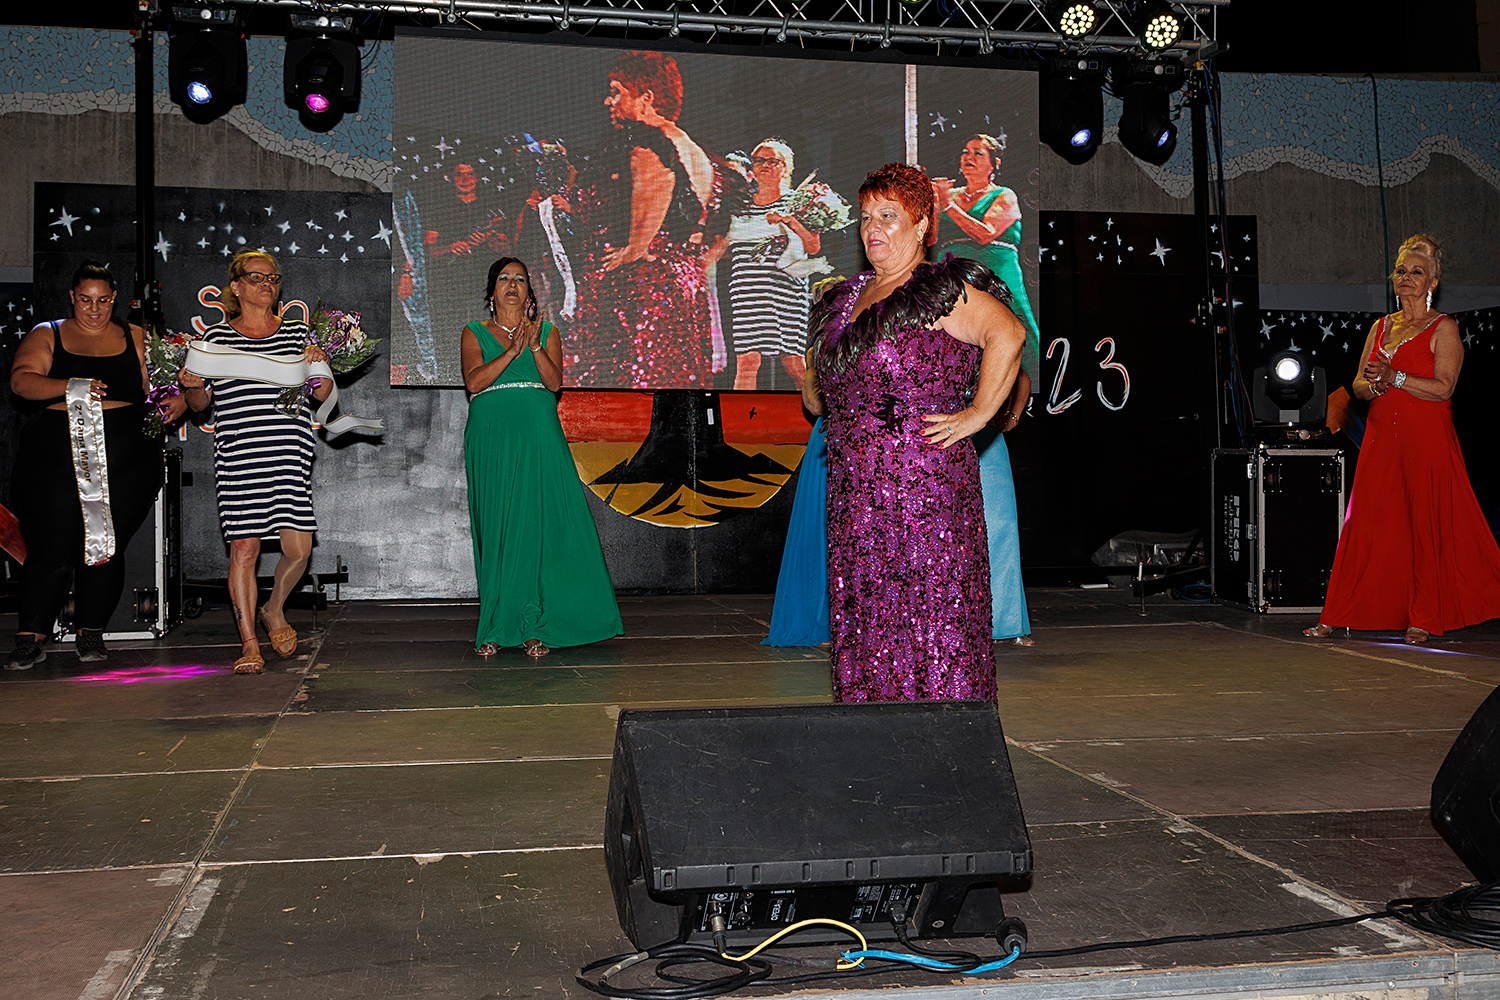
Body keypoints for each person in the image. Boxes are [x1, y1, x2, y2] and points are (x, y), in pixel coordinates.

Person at [811, 163, 1026, 701]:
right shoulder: (847, 298)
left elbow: (1008, 333)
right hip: (856, 494)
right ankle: (874, 733)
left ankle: (948, 736)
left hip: (924, 491)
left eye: (889, 215)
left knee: (933, 616)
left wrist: (978, 414)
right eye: (866, 217)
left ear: (922, 223)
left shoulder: (936, 290)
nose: (873, 227)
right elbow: (820, 394)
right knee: (870, 616)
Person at [1304, 234, 1500, 643]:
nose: (1406, 277)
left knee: (1423, 526)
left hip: (1426, 440)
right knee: (1364, 522)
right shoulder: (1381, 327)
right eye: (1401, 270)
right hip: (1382, 439)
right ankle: (1336, 611)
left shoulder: (1444, 328)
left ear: (1432, 282)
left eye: (1417, 272)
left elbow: (1444, 388)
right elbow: (1359, 386)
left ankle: (1423, 616)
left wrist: (1395, 377)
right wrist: (1374, 386)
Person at [6, 261, 181, 669]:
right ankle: (30, 636)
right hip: (56, 457)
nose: (94, 309)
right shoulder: (47, 333)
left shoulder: (134, 335)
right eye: (85, 300)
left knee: (105, 544)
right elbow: (21, 381)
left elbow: (165, 385)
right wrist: (69, 386)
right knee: (52, 544)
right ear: (72, 297)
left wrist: (179, 399)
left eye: (103, 301)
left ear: (114, 299)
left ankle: (91, 632)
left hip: (128, 460)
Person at [179, 251, 332, 675]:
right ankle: (249, 643)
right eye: (257, 277)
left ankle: (274, 608)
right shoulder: (215, 338)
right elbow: (199, 404)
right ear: (236, 286)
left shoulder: (298, 332)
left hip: (289, 452)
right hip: (240, 455)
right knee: (244, 550)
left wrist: (318, 365)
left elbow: (322, 394)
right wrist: (192, 385)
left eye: (273, 277)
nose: (267, 283)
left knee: (299, 550)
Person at [462, 257, 622, 656]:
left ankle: (533, 623)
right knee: (499, 527)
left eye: (520, 279)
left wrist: (532, 346)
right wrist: (510, 351)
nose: (512, 284)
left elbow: (553, 383)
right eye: (504, 278)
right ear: (492, 291)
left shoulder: (547, 332)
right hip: (494, 435)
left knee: (535, 527)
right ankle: (497, 625)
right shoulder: (474, 332)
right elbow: (474, 382)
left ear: (529, 293)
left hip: (537, 433)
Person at [566, 50, 737, 388]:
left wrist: (634, 248)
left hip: (643, 289)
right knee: (673, 384)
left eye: (616, 92)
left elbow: (657, 186)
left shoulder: (647, 140)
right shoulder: (694, 148)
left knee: (633, 384)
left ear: (646, 98)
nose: (607, 101)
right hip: (684, 286)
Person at [934, 134, 1041, 645]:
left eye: (977, 153)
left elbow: (981, 233)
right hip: (953, 283)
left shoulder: (1003, 196)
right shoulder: (949, 196)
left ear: (995, 162)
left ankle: (1005, 618)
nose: (967, 158)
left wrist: (948, 202)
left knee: (994, 512)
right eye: (964, 152)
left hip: (992, 275)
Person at [726, 138, 822, 390]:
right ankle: (742, 414)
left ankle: (817, 413)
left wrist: (790, 221)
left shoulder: (798, 204)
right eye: (759, 160)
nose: (765, 165)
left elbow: (813, 246)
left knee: (793, 363)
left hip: (785, 291)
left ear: (786, 168)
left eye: (772, 161)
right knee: (747, 361)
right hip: (747, 290)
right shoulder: (740, 205)